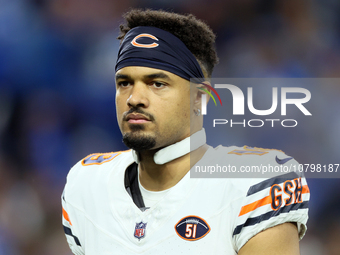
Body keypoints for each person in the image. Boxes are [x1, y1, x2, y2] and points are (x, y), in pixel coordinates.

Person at [62, 9, 309, 255]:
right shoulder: (86, 184)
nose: (134, 98)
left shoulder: (255, 183)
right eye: (124, 83)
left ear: (199, 97)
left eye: (157, 84)